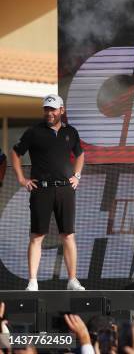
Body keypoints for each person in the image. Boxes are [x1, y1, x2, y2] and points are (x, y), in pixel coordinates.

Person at [11, 94, 86, 291]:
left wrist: (77, 176)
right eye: (46, 109)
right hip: (41, 189)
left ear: (62, 110)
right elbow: (16, 153)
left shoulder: (71, 132)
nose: (49, 113)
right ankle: (33, 281)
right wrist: (21, 179)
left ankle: (72, 280)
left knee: (68, 234)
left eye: (53, 109)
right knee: (37, 236)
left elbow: (80, 154)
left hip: (65, 189)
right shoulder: (34, 132)